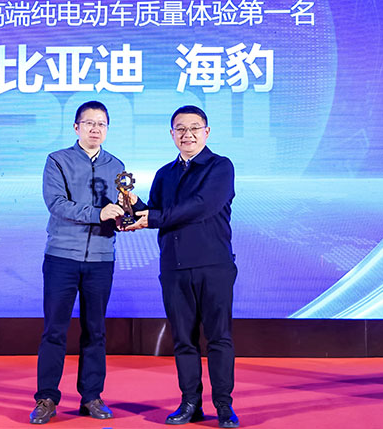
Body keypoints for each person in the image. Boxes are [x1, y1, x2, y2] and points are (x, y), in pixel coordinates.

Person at [127, 105, 239, 428]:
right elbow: (155, 212)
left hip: (214, 266)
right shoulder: (165, 174)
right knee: (183, 341)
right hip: (174, 268)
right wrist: (131, 205)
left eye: (194, 128)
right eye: (180, 129)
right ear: (172, 134)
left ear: (207, 132)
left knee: (219, 338)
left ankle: (224, 405)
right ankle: (190, 402)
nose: (187, 135)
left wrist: (152, 217)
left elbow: (201, 207)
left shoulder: (220, 167)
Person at [29, 101, 127, 425]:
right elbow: (57, 204)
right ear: (76, 127)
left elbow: (121, 207)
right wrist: (99, 213)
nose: (95, 129)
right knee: (54, 331)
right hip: (62, 257)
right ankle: (46, 398)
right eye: (89, 123)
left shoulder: (117, 165)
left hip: (101, 258)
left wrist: (129, 216)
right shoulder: (57, 160)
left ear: (107, 129)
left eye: (101, 124)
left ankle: (91, 397)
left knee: (96, 331)